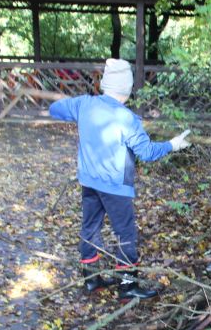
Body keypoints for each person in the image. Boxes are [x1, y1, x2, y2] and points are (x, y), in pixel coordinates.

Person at [49, 58, 192, 301]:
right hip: (116, 186)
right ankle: (127, 285)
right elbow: (147, 153)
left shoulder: (84, 104)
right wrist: (173, 144)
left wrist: (74, 106)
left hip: (89, 181)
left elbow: (55, 109)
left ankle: (91, 279)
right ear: (127, 88)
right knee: (125, 233)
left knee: (90, 227)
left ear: (105, 84)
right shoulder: (127, 118)